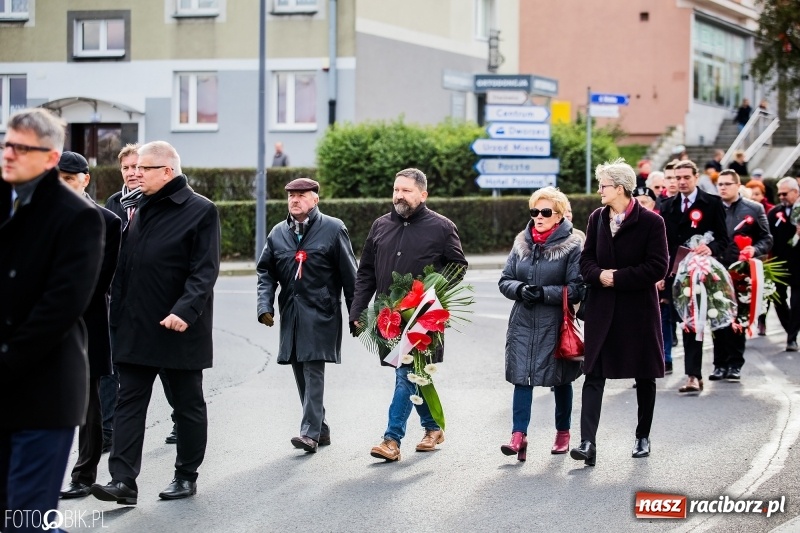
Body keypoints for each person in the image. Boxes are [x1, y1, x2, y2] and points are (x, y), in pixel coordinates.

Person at [92, 141, 220, 504]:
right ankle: (123, 482)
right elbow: (124, 267)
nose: (136, 174)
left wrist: (185, 310)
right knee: (128, 401)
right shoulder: (137, 208)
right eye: (133, 168)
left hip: (178, 329)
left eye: (144, 168)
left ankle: (186, 475)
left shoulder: (200, 210)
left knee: (187, 404)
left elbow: (204, 270)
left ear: (167, 171)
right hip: (134, 325)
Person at [0, 108, 104, 528]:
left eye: (21, 148)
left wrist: (5, 360)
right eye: (6, 144)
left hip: (44, 391)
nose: (9, 154)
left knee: (24, 518)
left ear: (49, 157)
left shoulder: (77, 216)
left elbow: (60, 307)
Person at [349, 168, 468, 462]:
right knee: (415, 375)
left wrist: (432, 293)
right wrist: (357, 311)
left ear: (422, 195)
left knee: (406, 375)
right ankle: (432, 427)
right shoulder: (379, 226)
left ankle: (391, 440)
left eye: (406, 190)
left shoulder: (442, 227)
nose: (399, 196)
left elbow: (458, 266)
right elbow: (365, 273)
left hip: (424, 318)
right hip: (387, 317)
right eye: (396, 190)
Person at [570, 159, 668, 466]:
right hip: (602, 308)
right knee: (593, 373)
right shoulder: (597, 218)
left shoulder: (652, 222)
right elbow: (585, 260)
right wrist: (599, 276)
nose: (599, 190)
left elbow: (657, 266)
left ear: (621, 189)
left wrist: (618, 277)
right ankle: (587, 443)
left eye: (603, 186)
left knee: (645, 373)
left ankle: (642, 435)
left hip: (637, 309)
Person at [256, 178, 357, 453]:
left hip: (321, 311)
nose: (295, 200)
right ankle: (321, 430)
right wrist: (264, 306)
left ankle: (309, 433)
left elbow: (351, 275)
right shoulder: (278, 233)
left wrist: (355, 313)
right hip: (292, 313)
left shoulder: (334, 229)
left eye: (301, 195)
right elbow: (266, 272)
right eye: (291, 196)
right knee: (299, 368)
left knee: (313, 367)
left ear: (315, 199)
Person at [498, 187, 583, 461]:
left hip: (555, 322)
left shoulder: (572, 245)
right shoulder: (521, 243)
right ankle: (517, 436)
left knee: (561, 379)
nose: (539, 216)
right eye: (535, 211)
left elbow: (577, 287)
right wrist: (521, 290)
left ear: (558, 215)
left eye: (545, 212)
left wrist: (545, 293)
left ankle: (563, 432)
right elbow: (505, 280)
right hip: (522, 321)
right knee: (521, 378)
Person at [57, 152, 122, 500]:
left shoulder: (107, 221)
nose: (63, 186)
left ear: (84, 179)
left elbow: (101, 279)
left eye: (69, 179)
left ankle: (84, 475)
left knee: (89, 404)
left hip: (86, 322)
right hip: (42, 326)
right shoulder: (38, 218)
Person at [105, 144, 178, 447]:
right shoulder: (113, 203)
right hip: (117, 299)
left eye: (138, 167)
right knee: (111, 367)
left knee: (163, 367)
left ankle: (179, 418)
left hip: (151, 300)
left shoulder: (157, 201)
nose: (133, 173)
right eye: (126, 169)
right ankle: (108, 430)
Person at [661, 160, 730, 393]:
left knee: (704, 319)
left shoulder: (712, 204)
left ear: (696, 177)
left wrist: (710, 249)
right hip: (676, 274)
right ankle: (693, 374)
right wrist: (662, 273)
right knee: (687, 323)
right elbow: (663, 245)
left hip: (704, 273)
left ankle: (707, 369)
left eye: (686, 177)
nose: (681, 181)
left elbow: (723, 238)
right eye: (677, 177)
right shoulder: (667, 206)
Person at [710, 170, 772, 381]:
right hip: (716, 269)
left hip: (740, 271)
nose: (723, 188)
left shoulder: (753, 208)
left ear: (738, 185)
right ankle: (719, 364)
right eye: (720, 184)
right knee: (716, 316)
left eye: (728, 184)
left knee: (737, 318)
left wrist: (754, 249)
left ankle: (735, 363)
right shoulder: (712, 207)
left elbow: (766, 238)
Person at [767, 178, 800, 352]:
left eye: (785, 193)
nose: (781, 196)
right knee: (778, 299)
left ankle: (792, 337)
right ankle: (790, 331)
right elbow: (766, 236)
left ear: (796, 192)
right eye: (779, 193)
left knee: (797, 302)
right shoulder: (774, 213)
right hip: (778, 265)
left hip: (798, 265)